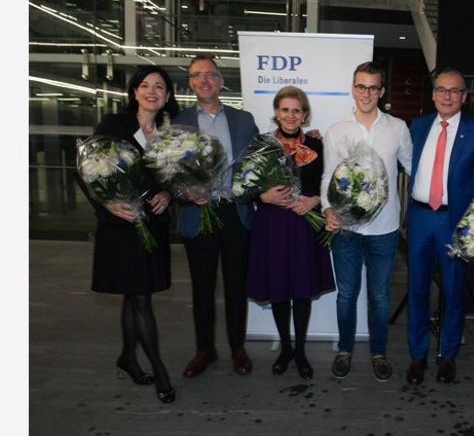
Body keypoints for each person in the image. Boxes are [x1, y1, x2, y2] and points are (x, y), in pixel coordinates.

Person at [76, 65, 179, 403]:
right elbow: (85, 169)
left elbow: (170, 180)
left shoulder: (168, 135)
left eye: (159, 87)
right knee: (140, 297)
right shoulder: (115, 125)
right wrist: (105, 204)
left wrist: (168, 195)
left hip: (152, 225)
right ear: (135, 92)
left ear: (167, 96)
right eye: (145, 85)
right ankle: (160, 371)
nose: (152, 91)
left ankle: (128, 358)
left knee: (134, 294)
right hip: (121, 224)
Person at [322, 62, 413, 382]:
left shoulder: (398, 127)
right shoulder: (337, 130)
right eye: (361, 86)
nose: (367, 93)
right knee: (346, 295)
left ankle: (379, 353)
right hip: (346, 228)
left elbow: (412, 169)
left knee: (380, 297)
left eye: (373, 87)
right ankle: (344, 350)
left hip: (384, 229)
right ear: (353, 88)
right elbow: (328, 176)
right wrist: (327, 209)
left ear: (382, 91)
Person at [405, 68, 474, 385]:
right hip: (419, 217)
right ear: (433, 94)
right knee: (417, 290)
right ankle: (417, 356)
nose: (447, 96)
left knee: (454, 292)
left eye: (454, 91)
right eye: (441, 89)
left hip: (454, 221)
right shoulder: (417, 126)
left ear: (464, 97)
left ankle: (447, 356)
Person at [173, 55, 259, 378]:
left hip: (235, 212)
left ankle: (238, 348)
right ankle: (204, 349)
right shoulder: (179, 121)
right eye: (197, 75)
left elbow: (257, 163)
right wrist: (186, 192)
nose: (204, 80)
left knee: (236, 286)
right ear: (191, 83)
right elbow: (168, 172)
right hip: (197, 213)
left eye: (210, 74)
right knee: (202, 288)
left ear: (221, 81)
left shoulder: (243, 120)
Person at [246, 86, 335, 380]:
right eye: (285, 109)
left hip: (303, 223)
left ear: (304, 115)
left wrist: (315, 200)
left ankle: (300, 352)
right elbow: (245, 185)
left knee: (301, 289)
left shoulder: (318, 145)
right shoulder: (261, 145)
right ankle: (285, 348)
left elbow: (328, 182)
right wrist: (262, 196)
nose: (290, 115)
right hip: (272, 224)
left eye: (296, 110)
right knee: (279, 288)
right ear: (276, 112)